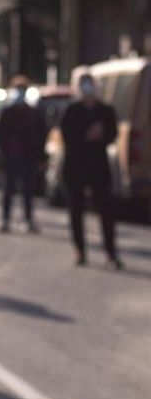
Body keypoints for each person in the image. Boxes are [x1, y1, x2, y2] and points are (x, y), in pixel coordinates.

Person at [60, 73, 123, 269]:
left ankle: (110, 253)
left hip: (99, 167)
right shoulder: (71, 110)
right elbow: (67, 136)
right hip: (75, 167)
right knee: (76, 212)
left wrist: (101, 134)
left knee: (106, 212)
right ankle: (80, 251)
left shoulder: (105, 111)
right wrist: (86, 134)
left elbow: (113, 134)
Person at [0, 75, 46, 234]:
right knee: (8, 190)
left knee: (28, 191)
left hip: (29, 157)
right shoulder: (7, 112)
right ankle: (6, 219)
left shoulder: (34, 113)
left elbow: (41, 136)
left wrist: (41, 157)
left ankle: (28, 219)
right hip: (11, 157)